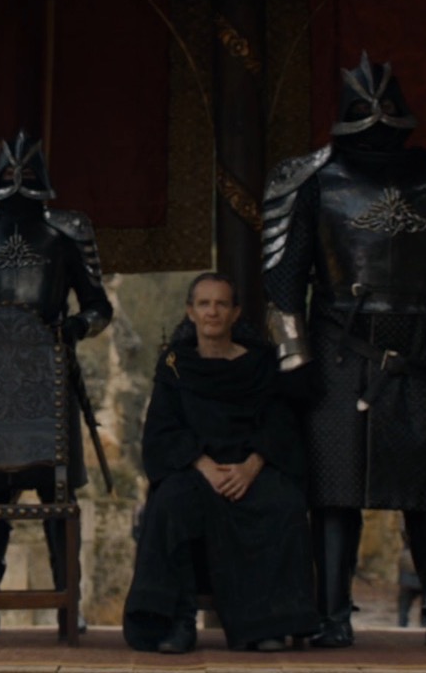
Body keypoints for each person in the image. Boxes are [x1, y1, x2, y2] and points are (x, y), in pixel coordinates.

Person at [261, 52, 426, 648]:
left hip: (420, 348)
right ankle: (331, 616)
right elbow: (284, 282)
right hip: (337, 349)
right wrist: (295, 357)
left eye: (383, 110)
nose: (376, 122)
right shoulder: (311, 181)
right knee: (334, 489)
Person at [0, 130, 111, 637]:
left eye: (25, 173)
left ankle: (68, 603)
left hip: (49, 375)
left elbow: (99, 307)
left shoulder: (68, 231)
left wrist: (75, 327)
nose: (17, 180)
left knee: (58, 496)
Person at [123, 274, 317, 654]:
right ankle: (178, 623)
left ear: (235, 312)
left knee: (284, 503)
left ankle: (268, 625)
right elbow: (162, 430)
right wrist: (203, 464)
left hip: (251, 468)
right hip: (197, 469)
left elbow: (280, 423)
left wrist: (251, 466)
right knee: (170, 503)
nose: (212, 311)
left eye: (221, 304)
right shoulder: (175, 365)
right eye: (204, 304)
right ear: (190, 312)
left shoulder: (260, 364)